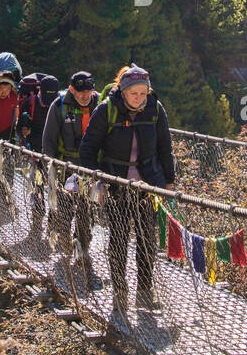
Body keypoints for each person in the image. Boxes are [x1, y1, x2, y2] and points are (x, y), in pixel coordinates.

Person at [77, 64, 174, 313]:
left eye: (144, 94)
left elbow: (165, 147)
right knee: (118, 238)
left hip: (147, 186)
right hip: (115, 185)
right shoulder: (106, 111)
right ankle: (120, 291)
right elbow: (87, 149)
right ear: (123, 91)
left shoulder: (155, 109)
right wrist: (95, 179)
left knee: (146, 240)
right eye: (135, 94)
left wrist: (169, 183)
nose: (140, 99)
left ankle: (144, 290)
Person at [41, 71, 100, 288]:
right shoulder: (59, 106)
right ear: (71, 89)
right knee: (64, 212)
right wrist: (51, 171)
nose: (85, 96)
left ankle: (83, 251)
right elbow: (48, 140)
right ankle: (66, 248)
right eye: (80, 92)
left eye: (88, 92)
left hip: (90, 170)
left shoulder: (99, 105)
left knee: (86, 212)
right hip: (65, 167)